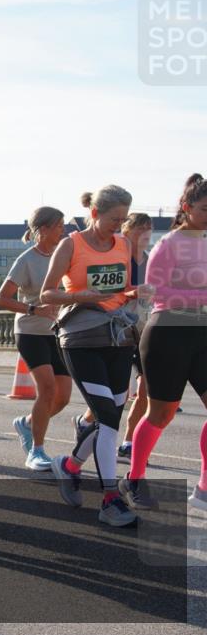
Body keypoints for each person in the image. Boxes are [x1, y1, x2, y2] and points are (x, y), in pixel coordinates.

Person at [45, 185, 145, 527]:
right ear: (94, 214)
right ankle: (110, 499)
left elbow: (120, 292)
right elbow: (47, 293)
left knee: (111, 418)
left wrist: (136, 292)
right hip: (81, 338)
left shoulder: (124, 244)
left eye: (123, 219)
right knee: (106, 415)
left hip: (118, 338)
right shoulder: (70, 244)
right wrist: (83, 296)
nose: (118, 225)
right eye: (113, 219)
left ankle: (70, 466)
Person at [118, 174, 207, 512]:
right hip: (168, 333)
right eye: (205, 209)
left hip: (204, 334)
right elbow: (154, 292)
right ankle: (135, 477)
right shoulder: (168, 244)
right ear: (186, 208)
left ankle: (203, 490)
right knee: (161, 413)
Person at [0, 207, 72, 471]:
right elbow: (1, 298)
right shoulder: (27, 260)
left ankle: (27, 424)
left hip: (57, 332)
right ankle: (36, 451)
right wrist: (33, 309)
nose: (64, 231)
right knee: (47, 390)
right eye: (59, 226)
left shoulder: (63, 256)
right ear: (43, 229)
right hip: (30, 332)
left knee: (63, 397)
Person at [117, 212, 153, 459]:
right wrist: (134, 292)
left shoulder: (150, 260)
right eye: (140, 229)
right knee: (114, 392)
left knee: (145, 390)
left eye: (148, 229)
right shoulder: (117, 257)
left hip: (143, 330)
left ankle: (128, 441)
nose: (145, 234)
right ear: (127, 231)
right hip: (116, 329)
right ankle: (88, 423)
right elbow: (107, 292)